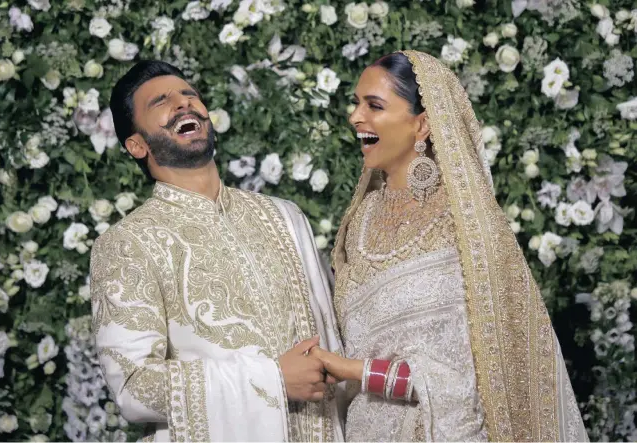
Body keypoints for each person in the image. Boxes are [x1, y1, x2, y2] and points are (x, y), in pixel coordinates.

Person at [310, 50, 589, 442]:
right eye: (357, 103)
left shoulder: (465, 222)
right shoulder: (357, 224)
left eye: (374, 105)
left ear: (422, 124)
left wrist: (352, 369)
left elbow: (476, 376)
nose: (356, 117)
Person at [90, 60, 344, 442]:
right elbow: (134, 385)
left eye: (190, 94)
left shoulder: (284, 216)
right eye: (161, 101)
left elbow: (334, 338)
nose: (183, 104)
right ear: (136, 144)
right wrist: (272, 380)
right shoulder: (128, 243)